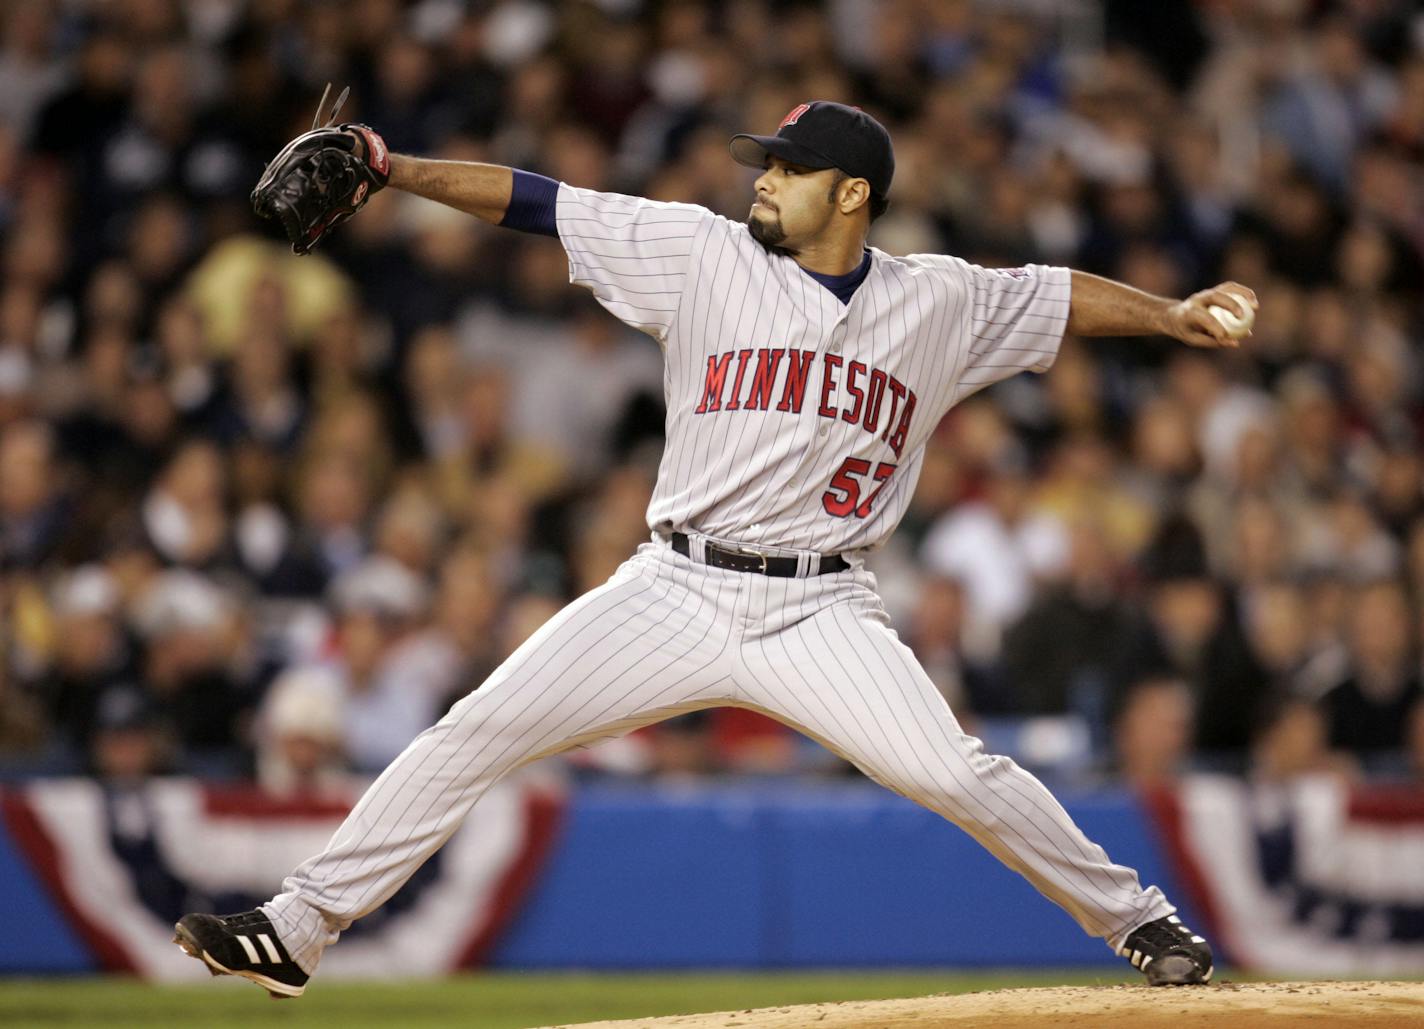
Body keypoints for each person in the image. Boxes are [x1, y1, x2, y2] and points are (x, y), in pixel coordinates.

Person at [175, 100, 1245, 997]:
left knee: (958, 776)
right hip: (675, 586)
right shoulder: (701, 252)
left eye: (787, 168)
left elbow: (1057, 298)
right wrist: (389, 165)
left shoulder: (937, 300)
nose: (763, 181)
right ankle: (299, 926)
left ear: (851, 195)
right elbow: (538, 203)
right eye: (764, 164)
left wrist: (1172, 316)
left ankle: (1138, 922)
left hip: (820, 610)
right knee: (478, 727)